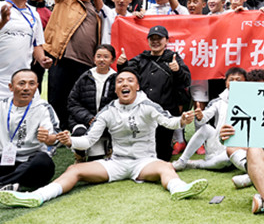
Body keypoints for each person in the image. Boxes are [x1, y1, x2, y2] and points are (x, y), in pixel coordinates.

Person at [0, 69, 207, 208]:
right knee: (74, 169)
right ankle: (37, 196)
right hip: (116, 163)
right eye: (120, 81)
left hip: (145, 162)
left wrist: (182, 120)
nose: (124, 84)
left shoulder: (148, 106)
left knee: (165, 167)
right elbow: (88, 140)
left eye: (130, 81)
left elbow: (169, 122)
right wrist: (70, 141)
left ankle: (180, 189)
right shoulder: (108, 111)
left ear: (137, 87)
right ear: (115, 89)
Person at [43, 0, 103, 130]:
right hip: (63, 58)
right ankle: (56, 131)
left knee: (80, 99)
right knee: (57, 96)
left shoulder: (99, 10)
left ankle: (78, 129)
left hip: (86, 63)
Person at [117, 25, 191, 162]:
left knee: (162, 153)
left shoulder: (173, 58)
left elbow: (186, 81)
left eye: (159, 38)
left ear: (166, 41)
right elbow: (127, 75)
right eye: (152, 39)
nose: (155, 42)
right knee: (142, 149)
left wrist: (177, 71)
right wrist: (122, 65)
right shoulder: (141, 59)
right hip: (143, 112)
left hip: (166, 110)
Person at [173, 67, 247, 171]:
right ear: (226, 83)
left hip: (235, 149)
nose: (234, 83)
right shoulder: (219, 102)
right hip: (218, 143)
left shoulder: (250, 103)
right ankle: (182, 161)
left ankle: (198, 164)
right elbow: (206, 116)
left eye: (238, 80)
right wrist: (200, 116)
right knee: (206, 128)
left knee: (225, 158)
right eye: (231, 80)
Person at [0, 69, 59, 191]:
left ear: (37, 87)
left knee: (43, 161)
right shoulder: (2, 106)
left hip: (30, 163)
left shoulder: (43, 108)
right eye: (21, 83)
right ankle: (10, 184)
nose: (26, 88)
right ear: (11, 87)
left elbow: (55, 138)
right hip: (4, 160)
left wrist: (48, 138)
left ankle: (4, 183)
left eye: (31, 84)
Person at [0, 0, 51, 99]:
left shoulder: (34, 14)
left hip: (22, 80)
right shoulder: (1, 7)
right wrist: (2, 23)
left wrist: (42, 60)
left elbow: (37, 44)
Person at [67, 44, 117, 163]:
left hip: (105, 124)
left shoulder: (116, 78)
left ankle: (108, 148)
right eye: (98, 56)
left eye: (106, 57)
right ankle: (80, 156)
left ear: (112, 60)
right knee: (80, 133)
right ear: (94, 58)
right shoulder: (85, 77)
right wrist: (88, 118)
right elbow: (72, 102)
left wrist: (102, 119)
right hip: (83, 121)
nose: (101, 60)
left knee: (95, 161)